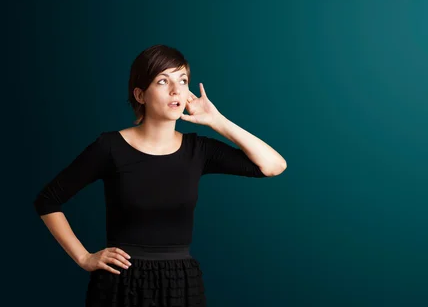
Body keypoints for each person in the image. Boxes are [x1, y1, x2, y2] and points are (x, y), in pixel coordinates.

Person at [33, 44, 287, 306]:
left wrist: (216, 120)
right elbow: (47, 200)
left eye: (183, 80)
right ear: (140, 95)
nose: (176, 90)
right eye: (163, 81)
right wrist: (84, 257)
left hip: (181, 283)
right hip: (120, 283)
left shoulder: (198, 150)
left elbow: (273, 166)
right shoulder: (110, 147)